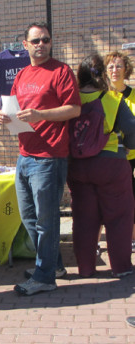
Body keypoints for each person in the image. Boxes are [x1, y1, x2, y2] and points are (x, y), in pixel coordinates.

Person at [0, 22, 82, 295]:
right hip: (25, 154)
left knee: (47, 220)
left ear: (51, 42)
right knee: (29, 217)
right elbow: (16, 108)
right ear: (25, 45)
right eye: (35, 41)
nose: (41, 44)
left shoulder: (61, 71)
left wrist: (41, 115)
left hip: (49, 157)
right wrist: (4, 116)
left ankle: (44, 278)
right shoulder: (22, 75)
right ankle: (53, 265)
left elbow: (74, 109)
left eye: (45, 40)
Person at [67, 53, 135, 278]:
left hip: (77, 166)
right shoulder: (113, 100)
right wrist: (126, 146)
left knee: (84, 218)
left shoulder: (70, 101)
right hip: (111, 164)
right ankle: (122, 267)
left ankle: (86, 268)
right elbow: (132, 129)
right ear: (102, 75)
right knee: (119, 216)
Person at [104, 51, 135, 253]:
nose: (114, 70)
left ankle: (131, 238)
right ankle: (106, 240)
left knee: (132, 198)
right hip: (109, 157)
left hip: (132, 157)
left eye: (118, 66)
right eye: (111, 67)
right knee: (108, 200)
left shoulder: (133, 95)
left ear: (126, 70)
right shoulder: (102, 95)